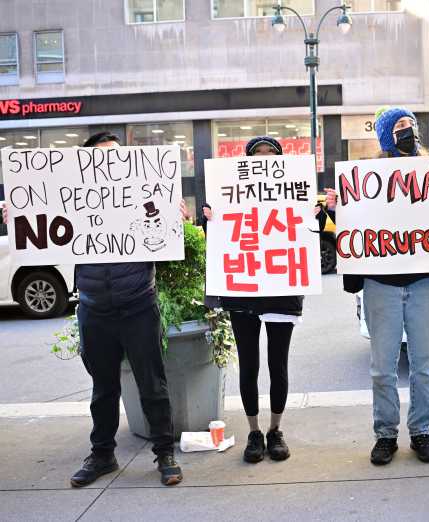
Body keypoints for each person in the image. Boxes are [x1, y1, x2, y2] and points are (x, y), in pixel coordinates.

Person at [3, 132, 186, 486]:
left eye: (116, 156)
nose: (110, 163)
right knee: (103, 389)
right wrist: (20, 217)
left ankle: (164, 453)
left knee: (153, 384)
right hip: (94, 308)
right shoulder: (73, 203)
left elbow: (165, 241)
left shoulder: (143, 195)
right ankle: (102, 454)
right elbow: (44, 240)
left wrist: (176, 217)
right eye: (102, 157)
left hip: (138, 305)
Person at [325, 107, 429, 465]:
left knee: (424, 363)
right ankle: (385, 434)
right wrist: (337, 211)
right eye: (399, 127)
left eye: (411, 125)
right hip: (381, 285)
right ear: (385, 136)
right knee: (382, 367)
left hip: (426, 283)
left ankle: (421, 431)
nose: (408, 130)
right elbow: (357, 230)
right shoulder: (367, 179)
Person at [202, 136, 300, 463]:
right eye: (257, 155)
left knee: (278, 363)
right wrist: (210, 218)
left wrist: (314, 213)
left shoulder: (293, 195)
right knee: (249, 364)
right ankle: (254, 432)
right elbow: (219, 236)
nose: (264, 160)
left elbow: (307, 234)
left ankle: (275, 430)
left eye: (271, 155)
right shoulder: (231, 197)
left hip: (281, 292)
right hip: (243, 291)